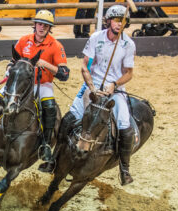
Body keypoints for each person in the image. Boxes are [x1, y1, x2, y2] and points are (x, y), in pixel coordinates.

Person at [41, 5, 136, 186]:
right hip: (92, 86)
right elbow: (85, 66)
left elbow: (129, 73)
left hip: (115, 92)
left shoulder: (128, 44)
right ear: (109, 21)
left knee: (125, 125)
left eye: (122, 21)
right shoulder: (96, 38)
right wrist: (92, 87)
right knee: (69, 119)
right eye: (116, 20)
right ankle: (53, 159)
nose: (119, 24)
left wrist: (114, 85)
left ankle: (124, 169)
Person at [0, 10, 70, 165]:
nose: (42, 28)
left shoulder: (55, 45)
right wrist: (9, 69)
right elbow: (13, 61)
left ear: (50, 28)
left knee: (49, 107)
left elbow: (64, 74)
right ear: (35, 24)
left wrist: (46, 65)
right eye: (39, 24)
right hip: (20, 83)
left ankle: (45, 145)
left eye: (46, 25)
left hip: (42, 84)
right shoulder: (24, 40)